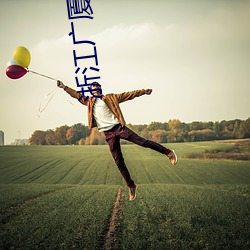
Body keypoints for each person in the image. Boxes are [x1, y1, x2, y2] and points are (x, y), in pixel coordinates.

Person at [57, 81, 177, 201]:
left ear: (99, 88)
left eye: (96, 88)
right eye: (92, 89)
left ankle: (168, 152)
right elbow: (76, 94)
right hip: (108, 134)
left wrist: (143, 92)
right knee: (118, 161)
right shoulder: (89, 102)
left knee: (142, 142)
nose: (94, 91)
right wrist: (64, 87)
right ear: (90, 91)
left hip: (119, 128)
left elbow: (128, 94)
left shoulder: (111, 97)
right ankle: (131, 186)